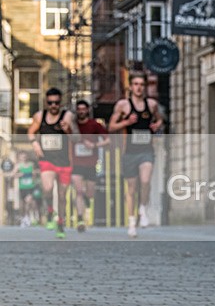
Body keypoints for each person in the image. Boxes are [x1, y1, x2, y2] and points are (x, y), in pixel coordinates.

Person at [109, 72, 162, 238]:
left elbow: (160, 120)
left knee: (145, 181)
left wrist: (156, 125)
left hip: (146, 150)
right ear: (131, 87)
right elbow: (111, 127)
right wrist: (127, 122)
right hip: (129, 152)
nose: (139, 87)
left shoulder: (151, 104)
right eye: (136, 84)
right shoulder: (123, 105)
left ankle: (143, 209)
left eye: (142, 84)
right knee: (131, 189)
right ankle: (132, 222)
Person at [27, 87, 76, 239]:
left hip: (63, 161)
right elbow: (30, 132)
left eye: (56, 102)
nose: (53, 105)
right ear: (46, 103)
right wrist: (35, 143)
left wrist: (68, 130)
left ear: (60, 103)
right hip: (46, 159)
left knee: (62, 196)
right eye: (50, 103)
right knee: (47, 188)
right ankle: (49, 210)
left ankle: (60, 223)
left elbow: (76, 138)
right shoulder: (39, 116)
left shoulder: (67, 116)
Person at [72, 100, 109, 232]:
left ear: (87, 110)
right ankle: (80, 219)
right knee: (79, 191)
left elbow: (107, 140)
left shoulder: (94, 125)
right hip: (76, 164)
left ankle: (87, 200)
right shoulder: (73, 126)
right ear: (76, 111)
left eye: (83, 109)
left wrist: (94, 145)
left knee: (89, 192)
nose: (81, 111)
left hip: (91, 164)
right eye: (79, 109)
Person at [13, 151, 39, 227]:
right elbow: (13, 174)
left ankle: (28, 217)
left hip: (31, 186)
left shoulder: (31, 164)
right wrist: (19, 175)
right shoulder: (18, 166)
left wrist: (34, 174)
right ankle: (24, 217)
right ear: (19, 158)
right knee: (23, 204)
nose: (24, 158)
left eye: (25, 156)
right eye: (22, 157)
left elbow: (36, 173)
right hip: (22, 187)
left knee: (29, 201)